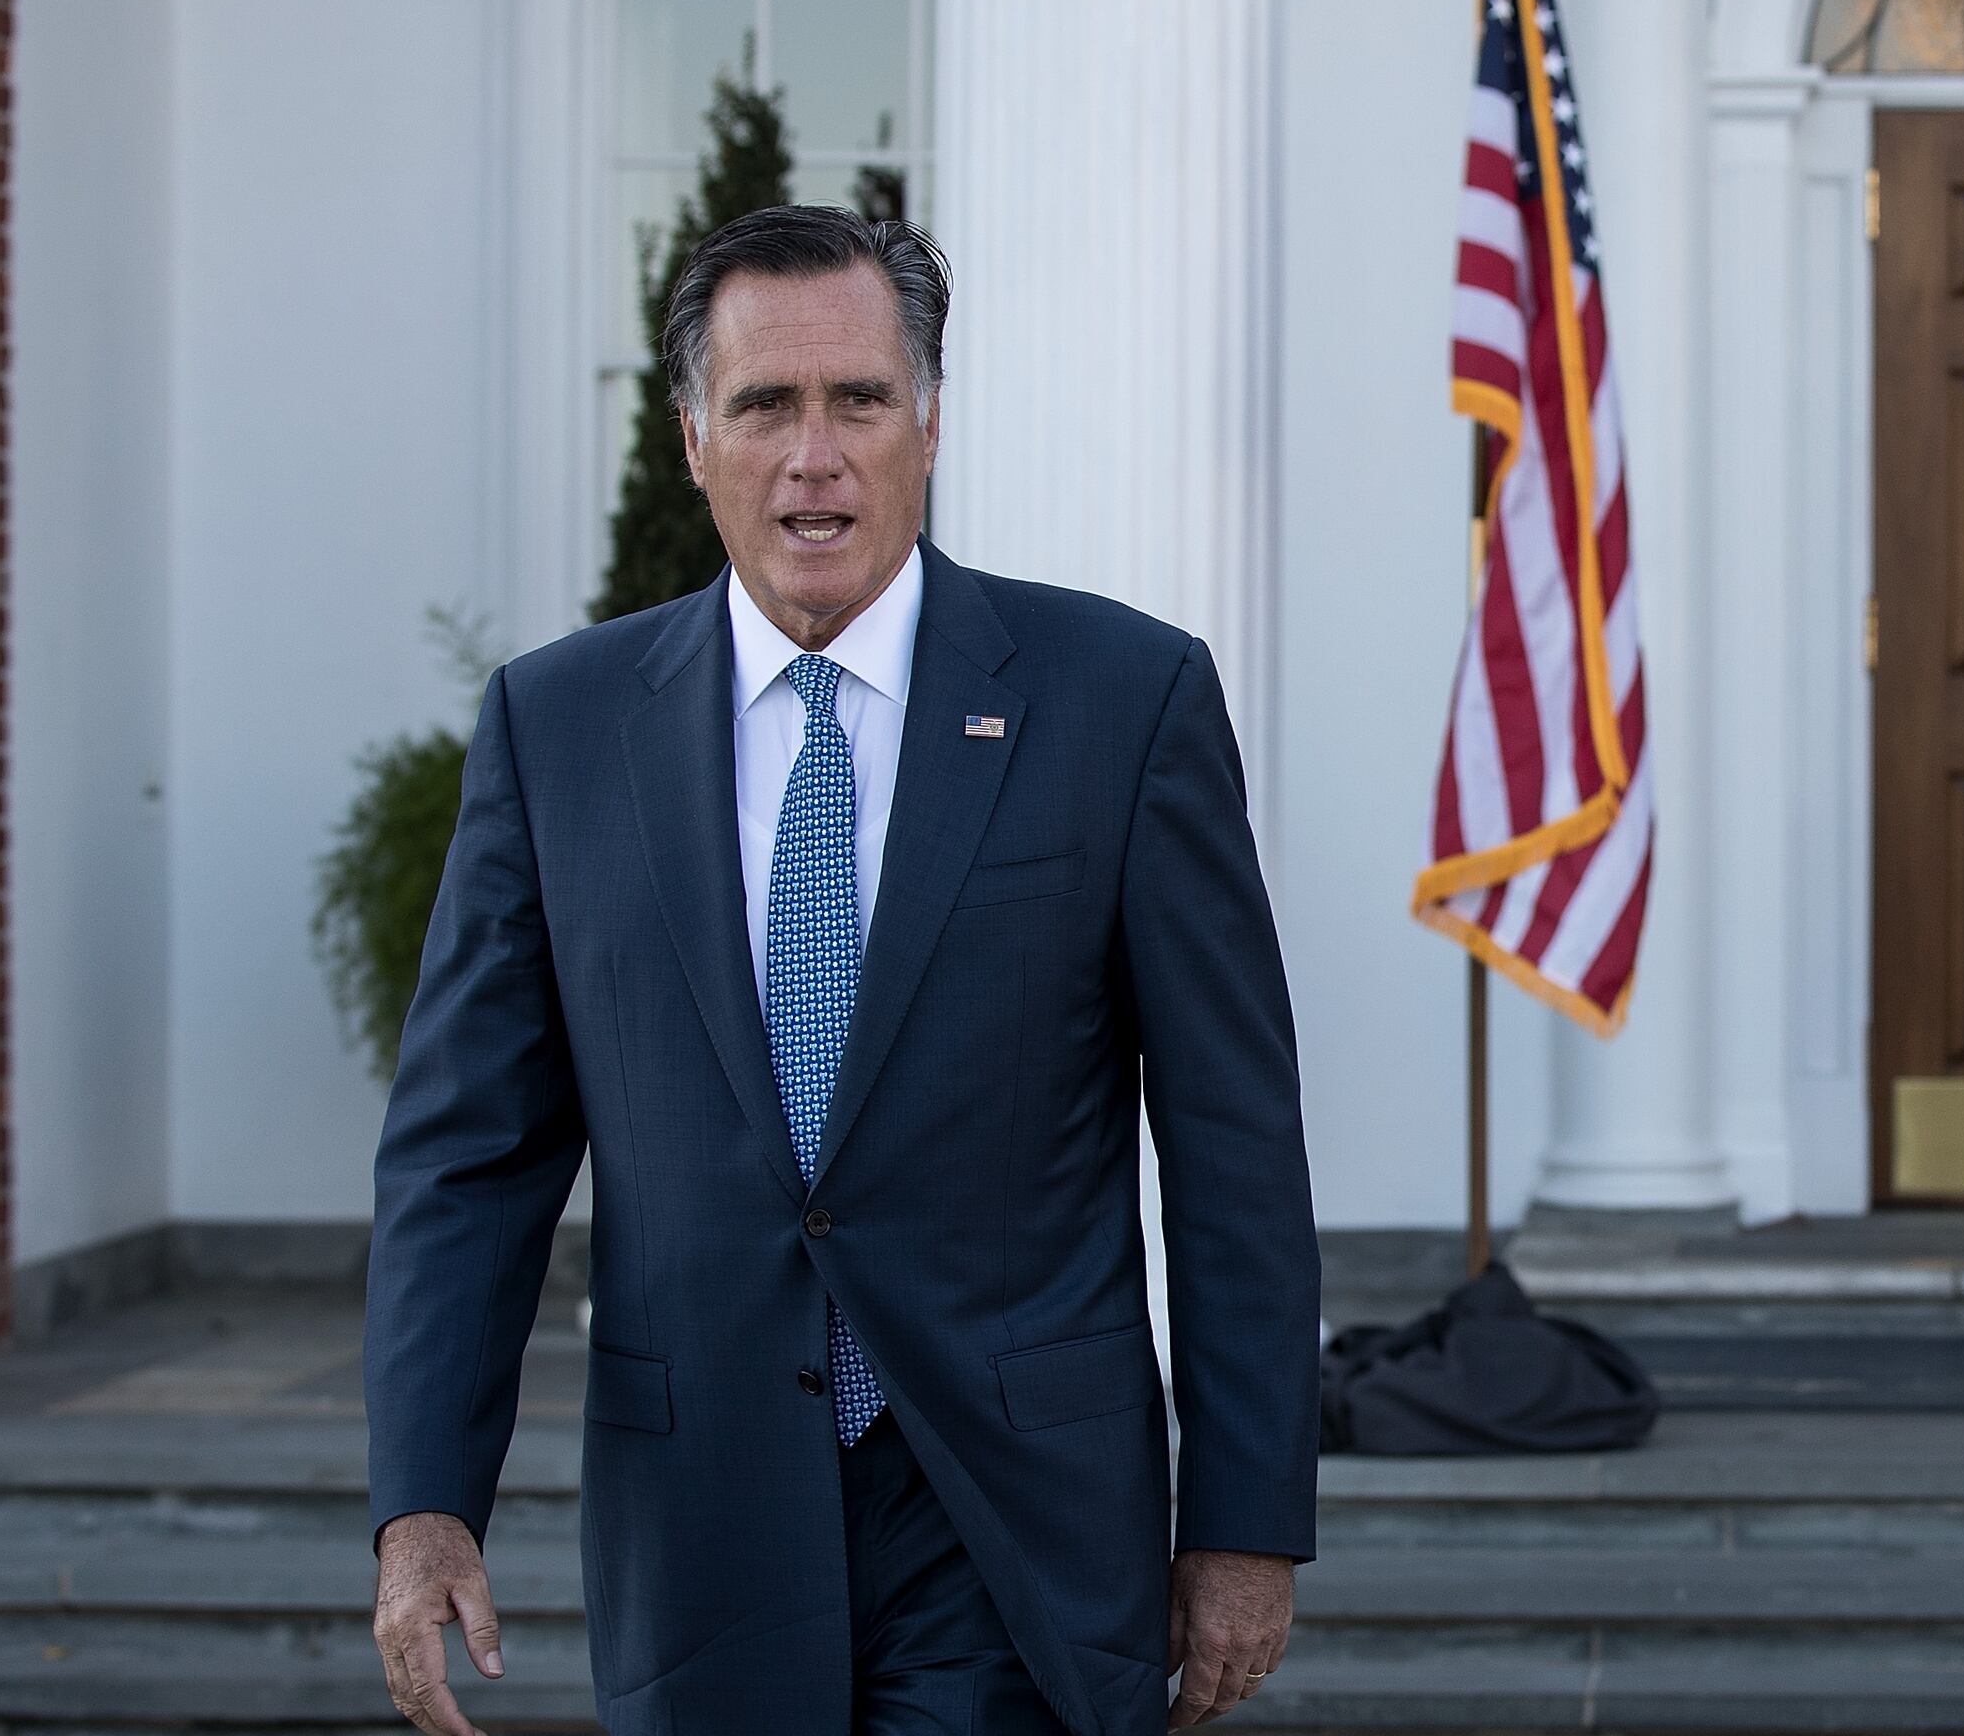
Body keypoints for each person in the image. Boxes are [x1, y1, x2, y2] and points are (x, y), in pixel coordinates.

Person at [365, 207, 1319, 1734]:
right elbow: (466, 1157)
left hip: (1017, 1523)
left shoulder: (1123, 703)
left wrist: (1245, 1514)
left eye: (859, 401)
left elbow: (1232, 1147)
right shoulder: (559, 732)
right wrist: (423, 1503)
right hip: (703, 1524)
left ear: (926, 424)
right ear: (693, 439)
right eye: (765, 406)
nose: (816, 455)